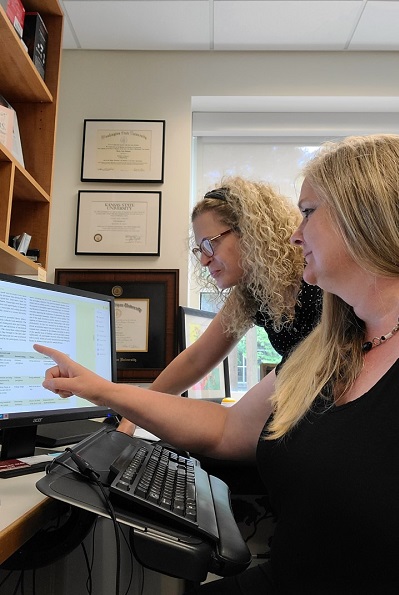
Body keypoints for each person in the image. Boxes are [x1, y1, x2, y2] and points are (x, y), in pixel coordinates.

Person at [35, 133, 399, 593]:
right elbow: (217, 406)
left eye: (308, 212)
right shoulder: (328, 346)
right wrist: (109, 396)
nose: (295, 232)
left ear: (365, 216)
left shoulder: (327, 309)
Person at [118, 177, 322, 434]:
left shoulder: (316, 274)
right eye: (199, 249)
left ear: (252, 232)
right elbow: (196, 360)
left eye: (210, 244)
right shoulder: (250, 293)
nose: (203, 260)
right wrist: (133, 415)